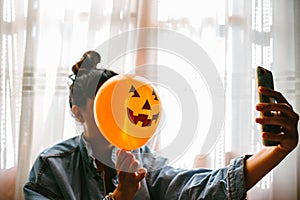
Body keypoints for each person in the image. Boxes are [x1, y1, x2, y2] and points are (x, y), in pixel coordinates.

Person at [23, 50, 299, 200]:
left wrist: (277, 152)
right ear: (79, 113)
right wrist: (121, 197)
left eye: (121, 103)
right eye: (102, 105)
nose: (116, 113)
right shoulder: (51, 167)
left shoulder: (143, 160)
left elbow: (198, 189)